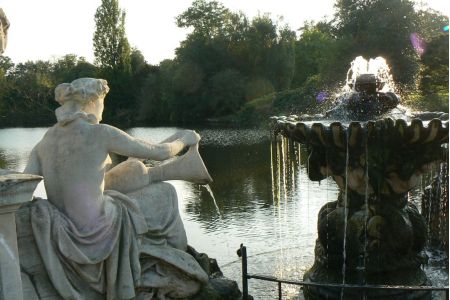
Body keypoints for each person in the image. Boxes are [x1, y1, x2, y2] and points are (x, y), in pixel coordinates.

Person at [24, 78, 208, 300]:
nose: (103, 108)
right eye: (103, 101)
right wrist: (184, 139)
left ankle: (172, 261)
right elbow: (160, 152)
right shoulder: (100, 133)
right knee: (166, 194)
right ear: (92, 101)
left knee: (127, 179)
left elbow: (24, 186)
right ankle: (180, 264)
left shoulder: (44, 142)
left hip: (63, 232)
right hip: (100, 229)